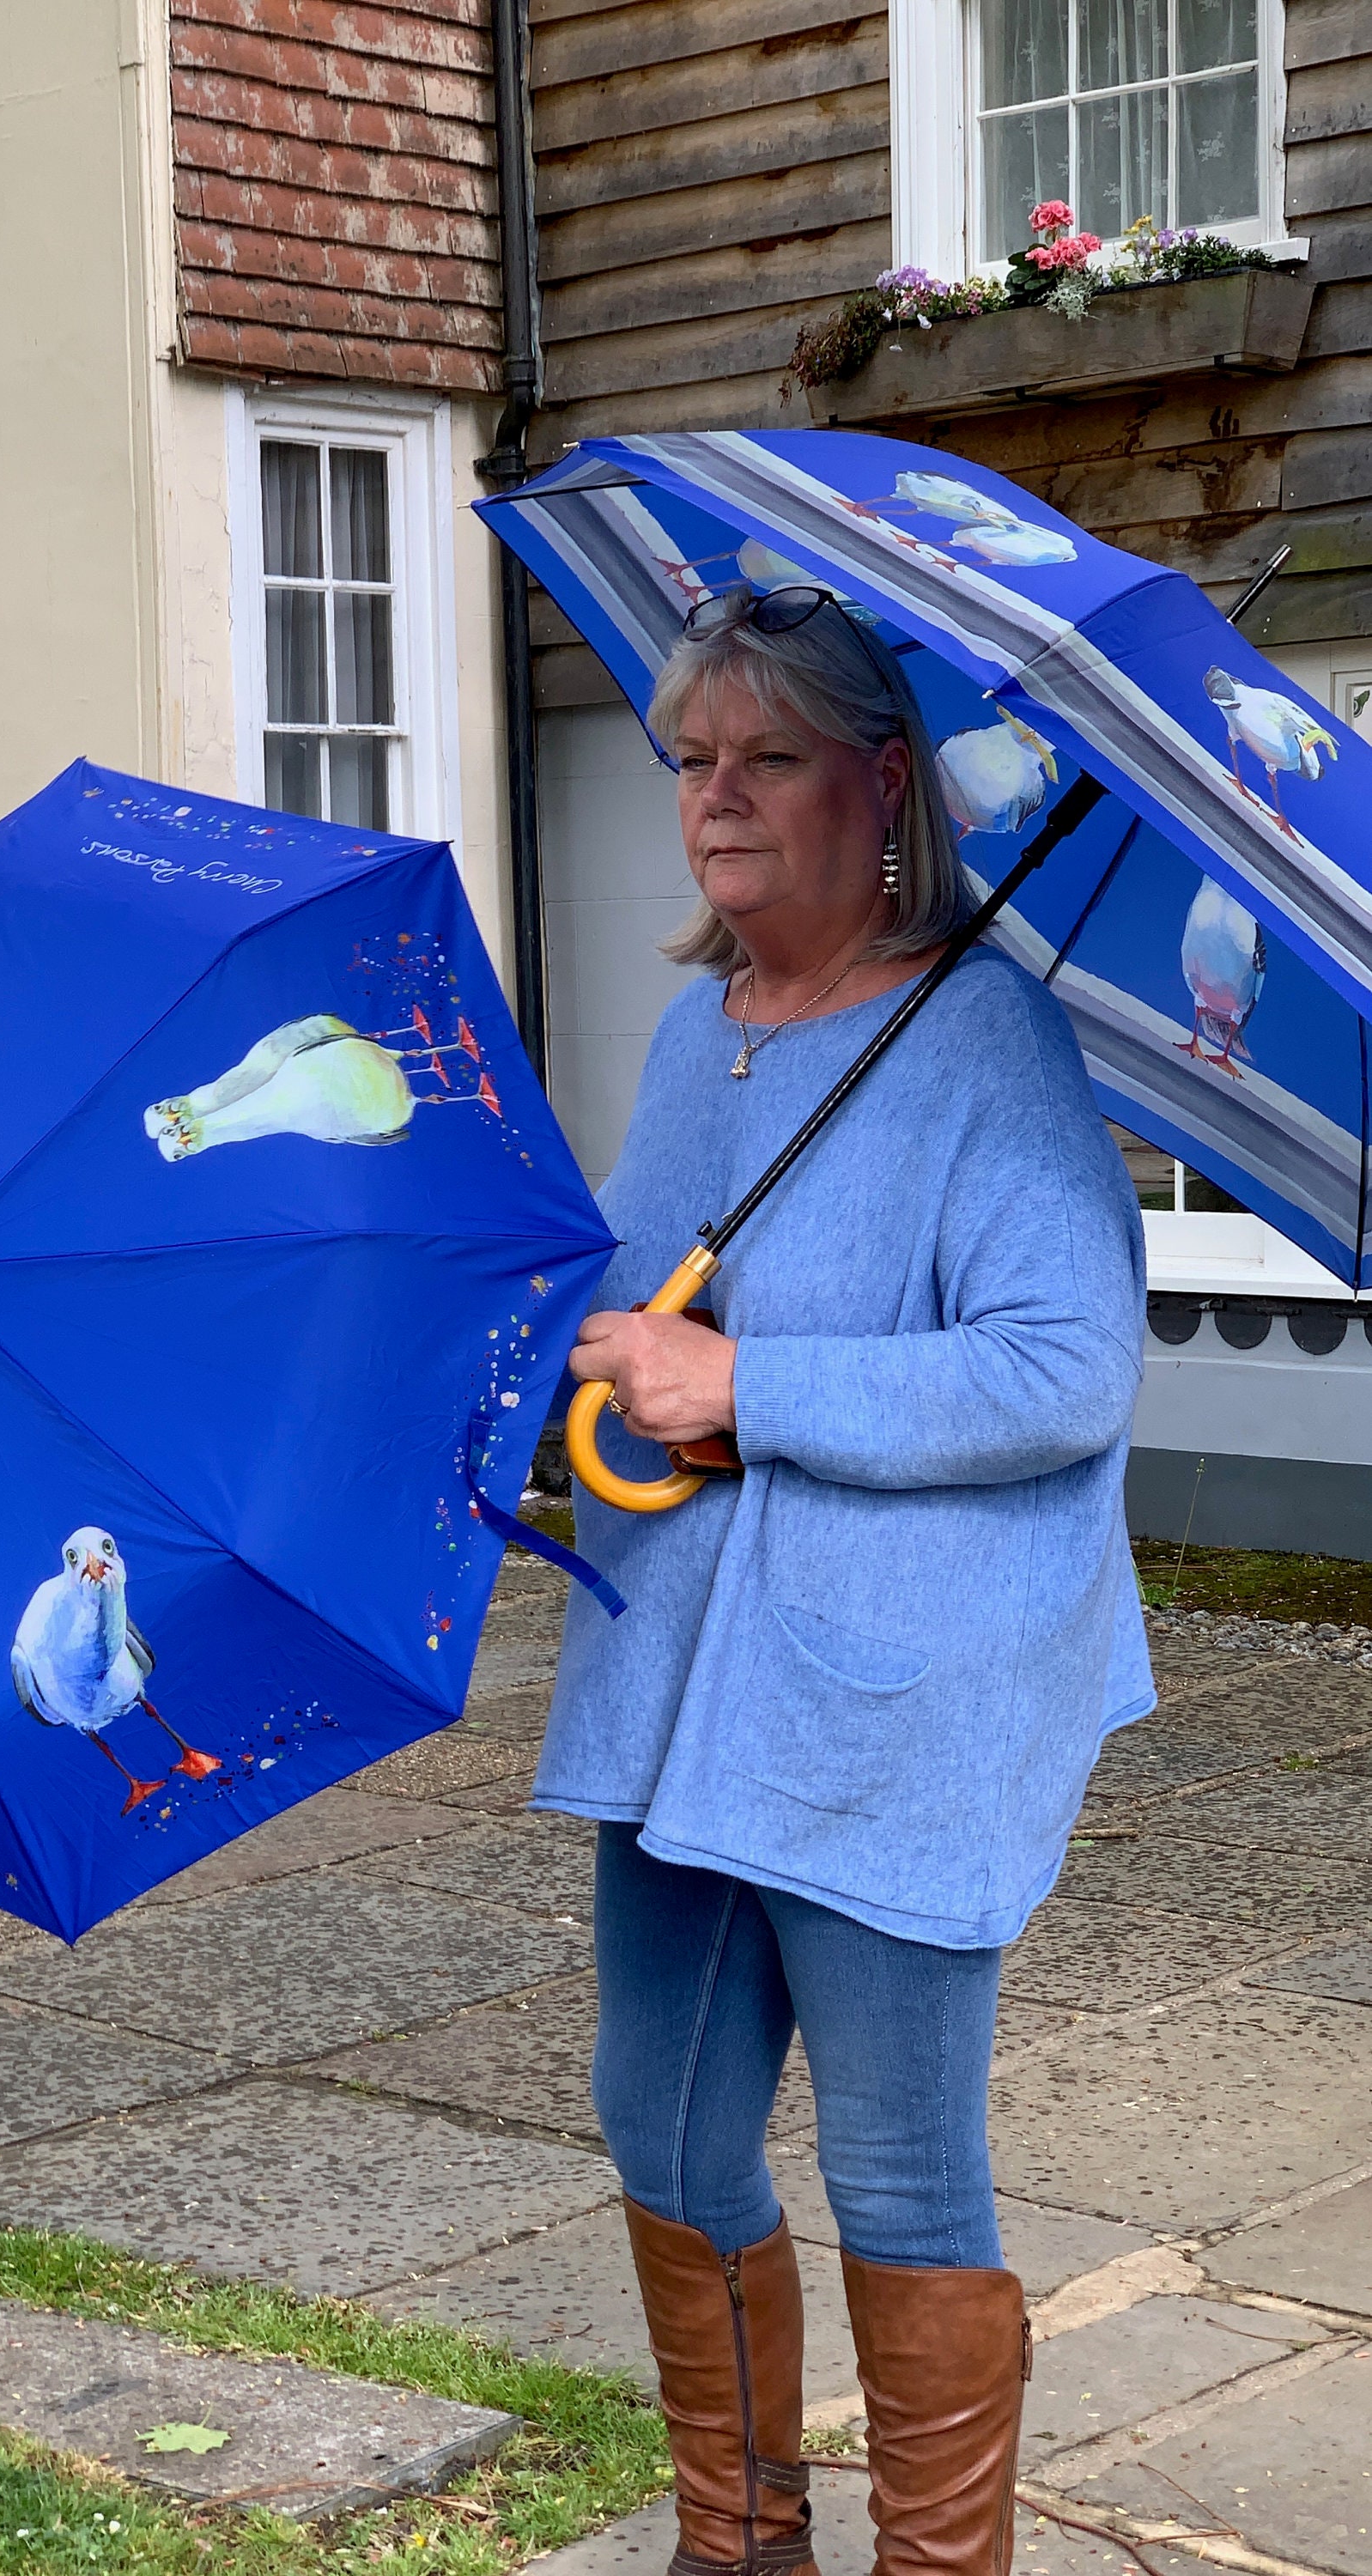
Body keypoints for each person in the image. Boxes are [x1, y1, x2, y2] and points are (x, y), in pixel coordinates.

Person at [541, 585, 1151, 2576]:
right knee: (671, 2129)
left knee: (901, 2169)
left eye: (766, 758)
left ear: (880, 783)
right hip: (683, 1692)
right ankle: (740, 2544)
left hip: (894, 1697)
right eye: (691, 760)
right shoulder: (694, 1033)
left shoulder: (979, 1035)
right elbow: (633, 1311)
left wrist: (750, 1382)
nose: (712, 800)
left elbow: (1065, 1367)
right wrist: (564, 1383)